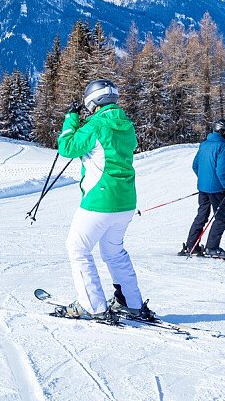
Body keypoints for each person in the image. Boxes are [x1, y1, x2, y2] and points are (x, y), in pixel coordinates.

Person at [57, 79, 155, 323]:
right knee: (113, 252)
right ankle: (131, 303)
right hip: (126, 202)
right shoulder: (127, 125)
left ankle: (92, 305)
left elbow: (67, 147)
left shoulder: (96, 125)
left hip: (100, 200)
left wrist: (71, 120)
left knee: (78, 248)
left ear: (93, 101)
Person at [181, 119, 225, 259]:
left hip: (203, 188)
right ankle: (212, 248)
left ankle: (191, 246)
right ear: (222, 132)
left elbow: (195, 166)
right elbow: (221, 171)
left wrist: (204, 179)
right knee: (221, 219)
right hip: (217, 188)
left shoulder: (204, 144)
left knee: (202, 215)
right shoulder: (223, 147)